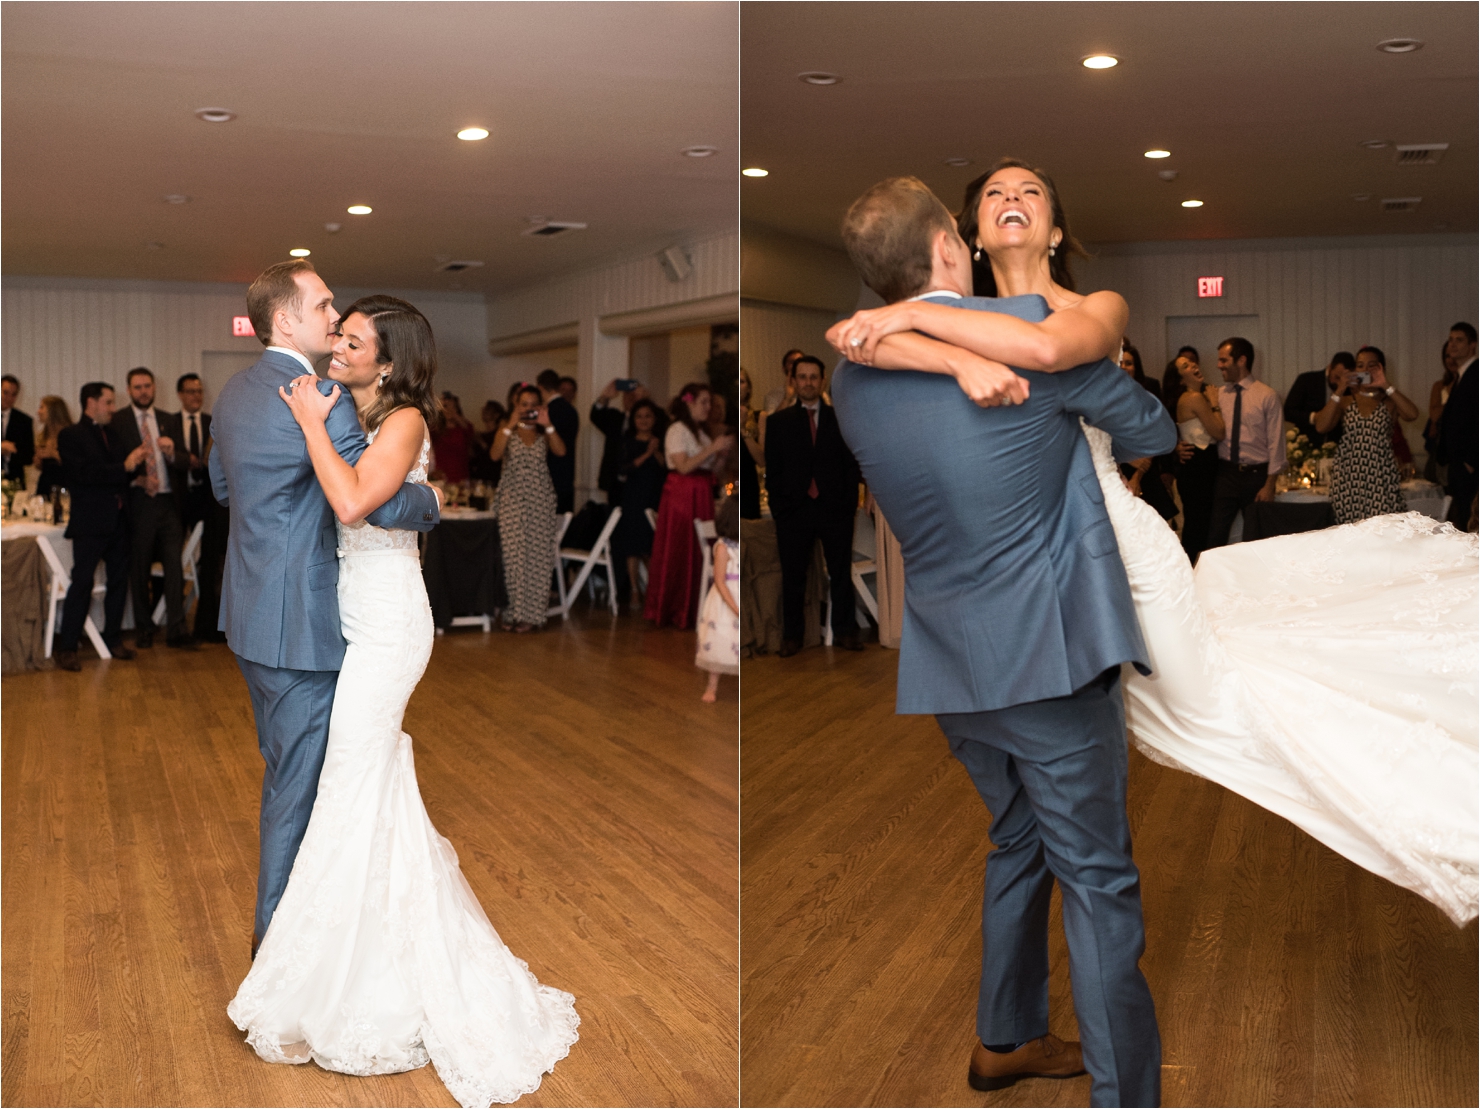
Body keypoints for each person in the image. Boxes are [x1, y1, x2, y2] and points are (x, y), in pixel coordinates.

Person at [837, 169, 1480, 935]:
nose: (1012, 197)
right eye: (994, 193)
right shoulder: (943, 330)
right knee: (1059, 824)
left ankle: (1397, 770)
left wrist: (912, 320)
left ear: (1055, 229)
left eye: (1032, 191)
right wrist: (947, 351)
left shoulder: (1088, 310)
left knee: (1224, 700)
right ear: (964, 237)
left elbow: (1049, 353)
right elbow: (858, 348)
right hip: (1042, 592)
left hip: (1111, 546)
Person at [829, 170, 1171, 1107]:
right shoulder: (1026, 337)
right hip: (1048, 661)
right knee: (1098, 881)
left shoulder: (856, 368)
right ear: (952, 246)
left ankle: (1005, 1039)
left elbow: (895, 337)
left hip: (950, 667)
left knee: (1019, 836)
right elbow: (1152, 429)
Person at [230, 294, 578, 1105]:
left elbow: (354, 501)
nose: (338, 346)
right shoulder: (349, 409)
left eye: (353, 342)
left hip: (389, 624)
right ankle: (365, 950)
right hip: (347, 615)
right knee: (365, 782)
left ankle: (343, 975)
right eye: (339, 334)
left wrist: (314, 426)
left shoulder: (406, 419)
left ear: (387, 362)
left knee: (348, 777)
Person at [207, 259, 440, 965]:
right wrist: (429, 501)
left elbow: (225, 488)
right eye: (325, 307)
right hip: (302, 624)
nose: (334, 321)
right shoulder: (324, 398)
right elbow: (369, 503)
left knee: (308, 770)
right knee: (299, 785)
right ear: (286, 321)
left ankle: (330, 931)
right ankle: (276, 950)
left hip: (251, 613)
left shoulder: (234, 392)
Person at [763, 356, 863, 657]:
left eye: (813, 377)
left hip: (835, 508)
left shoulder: (841, 418)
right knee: (793, 576)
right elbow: (773, 470)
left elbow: (851, 465)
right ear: (793, 381)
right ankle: (792, 636)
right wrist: (781, 508)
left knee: (840, 573)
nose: (808, 382)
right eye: (802, 377)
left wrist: (847, 504)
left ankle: (845, 631)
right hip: (794, 510)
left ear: (822, 381)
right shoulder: (778, 422)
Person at [51, 382, 149, 671]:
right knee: (82, 583)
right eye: (108, 402)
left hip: (118, 520)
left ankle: (112, 639)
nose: (112, 408)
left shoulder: (113, 434)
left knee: (119, 583)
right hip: (90, 522)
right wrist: (124, 467)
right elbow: (82, 475)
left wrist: (135, 468)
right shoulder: (71, 435)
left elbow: (122, 473)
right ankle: (68, 647)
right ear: (91, 403)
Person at [109, 367, 194, 648]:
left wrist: (172, 454)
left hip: (169, 503)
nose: (144, 392)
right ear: (129, 390)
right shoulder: (118, 421)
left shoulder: (168, 419)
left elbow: (186, 461)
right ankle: (144, 628)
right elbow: (114, 465)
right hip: (140, 503)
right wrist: (136, 478)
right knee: (140, 567)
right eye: (138, 387)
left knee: (174, 567)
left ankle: (176, 629)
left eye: (147, 386)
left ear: (154, 387)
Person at [645, 383, 731, 629]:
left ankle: (694, 607)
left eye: (709, 402)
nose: (708, 407)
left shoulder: (701, 432)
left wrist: (721, 456)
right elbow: (683, 466)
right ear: (689, 403)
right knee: (681, 546)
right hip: (682, 493)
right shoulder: (677, 430)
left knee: (700, 548)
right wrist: (713, 448)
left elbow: (709, 471)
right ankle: (675, 609)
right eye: (703, 402)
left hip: (700, 491)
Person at [1314, 345, 1420, 525]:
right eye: (1360, 365)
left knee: (1382, 530)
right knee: (1350, 532)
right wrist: (1340, 389)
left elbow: (1412, 414)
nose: (1366, 370)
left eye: (1372, 365)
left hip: (1381, 478)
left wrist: (1385, 384)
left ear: (1381, 368)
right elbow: (1321, 426)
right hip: (1347, 480)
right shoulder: (1346, 401)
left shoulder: (1389, 402)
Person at [490, 382, 565, 632]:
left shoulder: (544, 433)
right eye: (524, 404)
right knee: (513, 558)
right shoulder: (507, 429)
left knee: (538, 558)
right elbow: (494, 455)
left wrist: (548, 423)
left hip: (540, 501)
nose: (528, 409)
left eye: (534, 405)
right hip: (512, 500)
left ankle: (532, 615)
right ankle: (512, 612)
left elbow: (561, 451)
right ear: (516, 404)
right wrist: (510, 424)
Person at [1203, 338, 1285, 551]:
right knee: (1215, 537)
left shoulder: (1267, 396)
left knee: (1257, 539)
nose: (1218, 365)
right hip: (1226, 473)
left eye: (1223, 360)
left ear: (1241, 360)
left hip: (1256, 476)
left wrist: (1269, 485)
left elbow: (1276, 443)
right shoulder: (1218, 396)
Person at [176, 372, 229, 642]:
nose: (196, 396)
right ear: (180, 395)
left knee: (213, 563)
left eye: (199, 391)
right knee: (180, 562)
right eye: (190, 391)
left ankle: (209, 625)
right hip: (182, 501)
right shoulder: (171, 423)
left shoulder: (214, 421)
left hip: (213, 505)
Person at [1161, 353, 1225, 564]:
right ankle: (1193, 570)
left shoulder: (1195, 397)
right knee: (1199, 528)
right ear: (1180, 379)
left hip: (1198, 466)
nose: (1193, 365)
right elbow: (1219, 432)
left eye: (1192, 363)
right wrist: (1215, 403)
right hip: (1199, 467)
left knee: (1198, 525)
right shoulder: (1194, 398)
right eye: (1185, 366)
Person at [613, 397, 666, 611]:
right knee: (633, 547)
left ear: (654, 419)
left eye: (648, 416)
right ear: (633, 419)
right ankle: (635, 589)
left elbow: (666, 468)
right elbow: (623, 469)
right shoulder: (627, 441)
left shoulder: (661, 440)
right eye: (639, 416)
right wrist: (647, 453)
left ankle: (652, 591)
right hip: (633, 498)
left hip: (654, 498)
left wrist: (656, 451)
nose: (644, 420)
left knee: (652, 547)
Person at [696, 495, 740, 702]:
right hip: (725, 601)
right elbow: (720, 581)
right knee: (720, 640)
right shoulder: (723, 548)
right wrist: (735, 607)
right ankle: (711, 686)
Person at [1437, 321, 1477, 530]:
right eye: (1451, 339)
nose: (1452, 344)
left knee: (1470, 520)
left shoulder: (1476, 374)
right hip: (1458, 463)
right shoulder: (1462, 374)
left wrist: (1471, 460)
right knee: (1461, 517)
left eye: (1459, 340)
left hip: (1469, 465)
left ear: (1472, 345)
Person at [1284, 353, 1353, 450]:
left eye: (1343, 380)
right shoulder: (1307, 380)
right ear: (1330, 367)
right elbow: (1288, 412)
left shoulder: (1350, 389)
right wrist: (1313, 417)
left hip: (1337, 447)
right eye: (1337, 377)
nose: (1339, 383)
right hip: (1306, 446)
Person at [537, 369, 579, 514]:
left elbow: (552, 448)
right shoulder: (571, 410)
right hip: (567, 476)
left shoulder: (547, 412)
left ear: (540, 388)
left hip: (550, 477)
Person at [1423, 343, 1460, 483]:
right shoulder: (1439, 386)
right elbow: (1434, 415)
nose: (1451, 360)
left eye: (1454, 356)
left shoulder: (1473, 383)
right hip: (1443, 444)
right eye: (1447, 356)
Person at [430, 391, 476, 484]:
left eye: (452, 406)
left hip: (461, 476)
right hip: (441, 476)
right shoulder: (436, 429)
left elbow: (470, 431)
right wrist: (439, 407)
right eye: (446, 406)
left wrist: (453, 413)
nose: (448, 409)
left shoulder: (463, 428)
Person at [33, 395, 72, 498]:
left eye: (42, 407)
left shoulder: (69, 434)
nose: (38, 411)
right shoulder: (43, 435)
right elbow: (44, 467)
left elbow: (73, 464)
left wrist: (53, 454)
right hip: (45, 486)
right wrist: (38, 461)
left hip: (64, 486)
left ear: (53, 411)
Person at [737, 369, 763, 520]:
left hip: (748, 485)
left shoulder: (760, 417)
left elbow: (761, 460)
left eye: (741, 381)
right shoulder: (722, 417)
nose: (738, 385)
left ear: (748, 388)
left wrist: (743, 428)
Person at [2, 374, 35, 487]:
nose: (9, 398)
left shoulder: (24, 421)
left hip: (15, 483)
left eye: (13, 394)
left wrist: (9, 454)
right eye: (5, 392)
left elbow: (29, 457)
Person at [469, 400, 506, 487]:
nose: (484, 411)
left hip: (494, 479)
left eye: (488, 409)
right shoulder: (480, 435)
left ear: (496, 415)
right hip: (479, 478)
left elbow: (495, 457)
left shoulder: (500, 435)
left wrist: (482, 443)